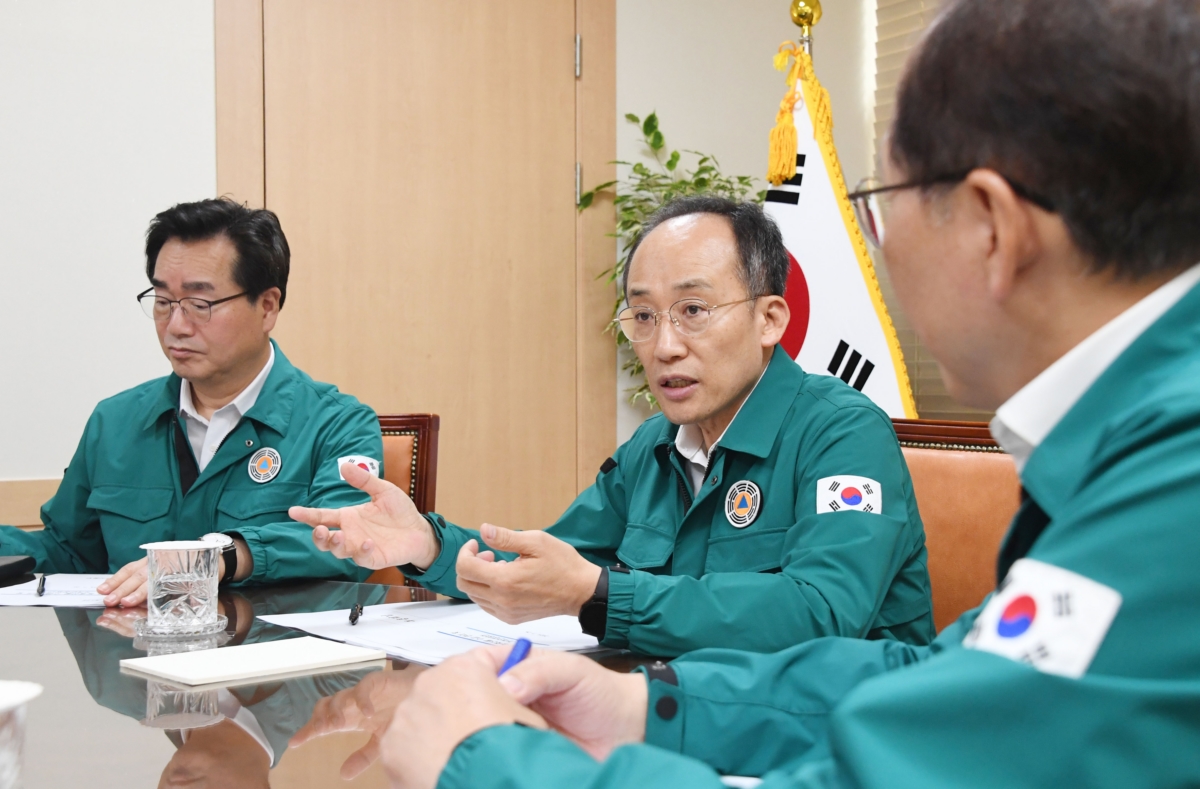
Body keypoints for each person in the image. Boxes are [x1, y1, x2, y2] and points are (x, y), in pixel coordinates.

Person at [366, 0, 1200, 786]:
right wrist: (657, 707)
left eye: (878, 207)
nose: (665, 343)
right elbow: (955, 676)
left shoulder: (1163, 484)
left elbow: (848, 655)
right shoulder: (1129, 450)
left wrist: (482, 759)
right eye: (644, 316)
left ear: (991, 226)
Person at [293, 197, 934, 657]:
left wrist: (602, 598)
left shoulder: (843, 433)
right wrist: (426, 546)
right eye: (644, 317)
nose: (664, 346)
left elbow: (820, 614)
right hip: (677, 716)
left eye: (692, 310)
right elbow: (555, 560)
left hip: (832, 740)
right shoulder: (655, 446)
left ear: (769, 320)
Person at [0, 198, 381, 605]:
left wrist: (220, 557)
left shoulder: (339, 424)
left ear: (267, 306)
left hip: (270, 660)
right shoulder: (114, 421)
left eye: (200, 305)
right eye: (163, 302)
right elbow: (68, 551)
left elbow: (346, 537)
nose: (176, 327)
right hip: (134, 658)